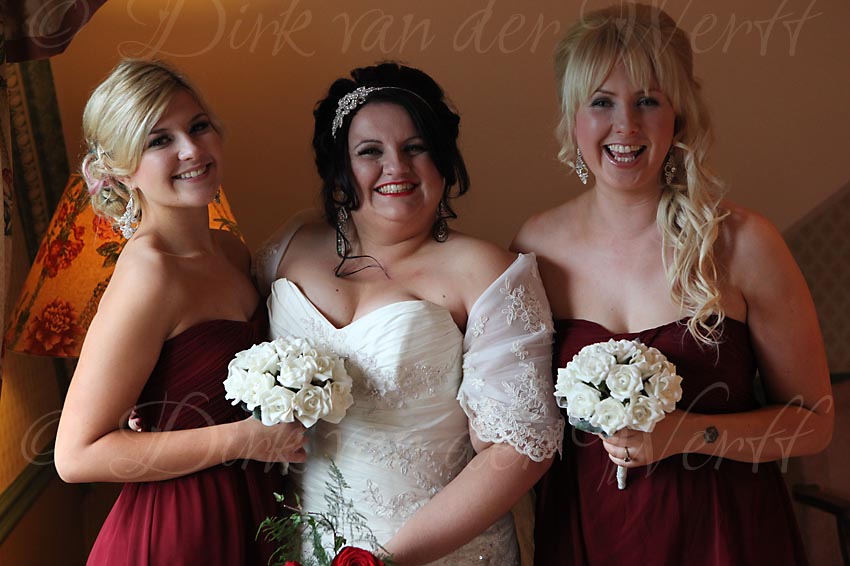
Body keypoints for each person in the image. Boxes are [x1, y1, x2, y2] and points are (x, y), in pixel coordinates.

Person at [511, 4, 834, 565]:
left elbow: (813, 425)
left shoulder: (744, 243)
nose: (626, 127)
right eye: (602, 102)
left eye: (648, 101)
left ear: (679, 116)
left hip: (725, 536)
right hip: (588, 534)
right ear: (573, 118)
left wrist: (686, 434)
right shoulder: (536, 247)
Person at [254, 62, 564, 565]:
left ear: (442, 159)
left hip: (440, 550)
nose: (395, 167)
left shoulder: (488, 272)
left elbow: (519, 449)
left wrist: (382, 561)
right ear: (339, 167)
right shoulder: (289, 247)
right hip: (301, 545)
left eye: (415, 147)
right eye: (370, 151)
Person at [54, 59, 307, 566]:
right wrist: (242, 439)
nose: (191, 150)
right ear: (121, 170)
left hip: (254, 512)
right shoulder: (149, 274)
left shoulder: (231, 250)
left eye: (198, 126)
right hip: (179, 530)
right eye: (159, 140)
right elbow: (75, 456)